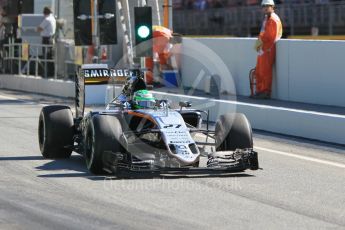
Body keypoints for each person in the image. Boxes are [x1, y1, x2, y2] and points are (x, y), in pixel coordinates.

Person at [252, 0, 282, 99]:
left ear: (272, 7)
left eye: (267, 6)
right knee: (259, 70)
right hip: (264, 48)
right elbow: (264, 33)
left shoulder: (273, 19)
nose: (265, 7)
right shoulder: (267, 18)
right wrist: (259, 43)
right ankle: (260, 91)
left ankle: (265, 92)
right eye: (263, 6)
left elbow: (270, 37)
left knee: (265, 71)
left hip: (268, 48)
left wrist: (261, 43)